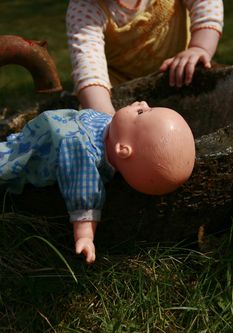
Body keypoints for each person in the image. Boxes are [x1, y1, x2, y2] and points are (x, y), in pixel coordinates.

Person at [0, 101, 195, 263]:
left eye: (141, 112)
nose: (142, 103)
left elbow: (84, 196)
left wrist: (85, 236)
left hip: (22, 156)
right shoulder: (112, 130)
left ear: (123, 149)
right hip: (29, 138)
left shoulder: (83, 152)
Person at [66, 0, 224, 115]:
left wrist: (199, 47)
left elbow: (206, 2)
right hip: (119, 84)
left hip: (178, 69)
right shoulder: (86, 6)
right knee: (89, 112)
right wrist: (108, 120)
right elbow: (88, 66)